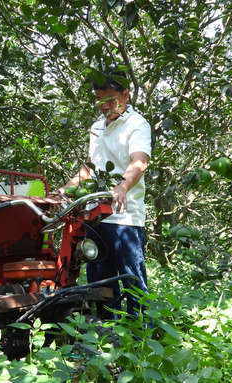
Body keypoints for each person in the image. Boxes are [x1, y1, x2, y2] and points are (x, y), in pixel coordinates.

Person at [55, 70, 152, 321]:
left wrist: (121, 187)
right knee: (100, 284)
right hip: (95, 218)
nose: (105, 106)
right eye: (99, 100)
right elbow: (89, 167)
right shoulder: (97, 126)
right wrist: (65, 190)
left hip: (125, 219)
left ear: (126, 95)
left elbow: (140, 160)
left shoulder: (137, 124)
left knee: (131, 280)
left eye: (110, 99)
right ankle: (107, 337)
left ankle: (141, 336)